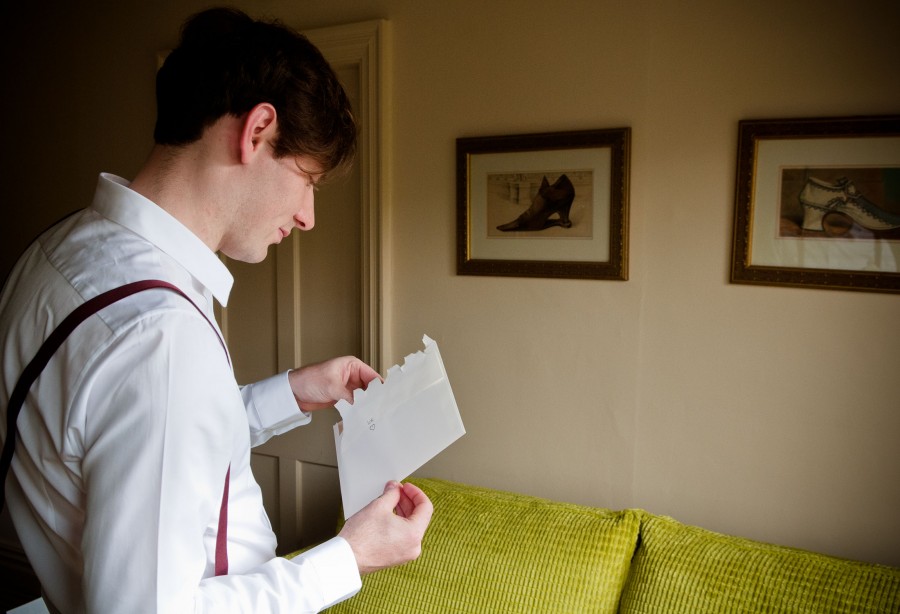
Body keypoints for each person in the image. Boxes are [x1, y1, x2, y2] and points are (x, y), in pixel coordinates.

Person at [0, 7, 432, 613]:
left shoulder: (57, 251)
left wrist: (293, 392)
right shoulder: (163, 337)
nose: (307, 215)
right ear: (257, 131)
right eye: (307, 178)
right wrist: (346, 557)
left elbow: (136, 438)